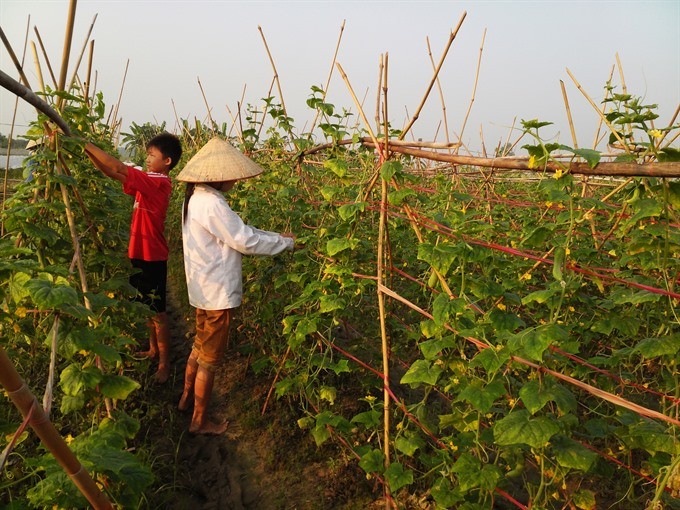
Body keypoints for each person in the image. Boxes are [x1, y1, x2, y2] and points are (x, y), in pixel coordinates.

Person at [176, 137, 295, 435]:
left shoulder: (194, 198)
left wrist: (276, 236)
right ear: (219, 176)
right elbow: (243, 240)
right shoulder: (213, 203)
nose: (235, 180)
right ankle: (200, 421)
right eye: (231, 175)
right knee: (210, 360)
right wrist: (286, 243)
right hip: (217, 294)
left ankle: (185, 400)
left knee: (198, 347)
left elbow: (238, 232)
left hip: (202, 290)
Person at [81, 133, 182, 384]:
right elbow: (110, 173)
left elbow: (117, 166)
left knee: (158, 313)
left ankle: (164, 364)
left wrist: (82, 141)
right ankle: (152, 349)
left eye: (152, 155)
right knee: (146, 307)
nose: (147, 158)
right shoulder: (148, 181)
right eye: (147, 154)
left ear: (167, 161)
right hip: (138, 252)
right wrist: (86, 151)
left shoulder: (158, 182)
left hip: (153, 255)